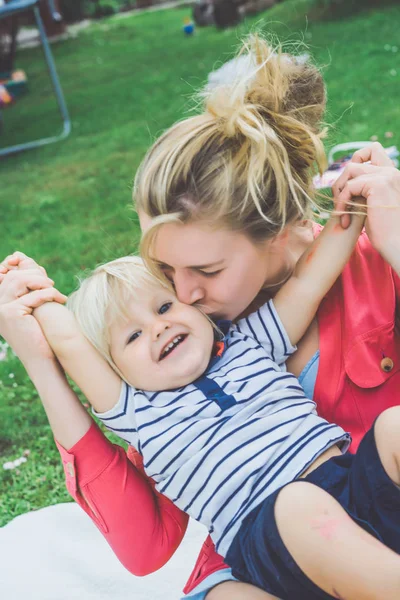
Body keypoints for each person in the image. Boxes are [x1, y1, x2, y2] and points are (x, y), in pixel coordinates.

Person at [1, 34, 400, 600]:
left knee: (391, 427)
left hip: (354, 490)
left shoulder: (247, 338)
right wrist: (36, 325)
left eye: (203, 272)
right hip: (276, 538)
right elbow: (146, 547)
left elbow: (313, 277)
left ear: (279, 233)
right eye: (165, 271)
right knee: (263, 547)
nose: (181, 297)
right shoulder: (155, 384)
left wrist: (372, 221)